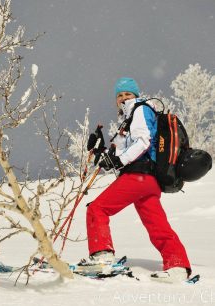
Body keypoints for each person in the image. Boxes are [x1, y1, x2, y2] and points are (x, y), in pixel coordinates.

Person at [82, 77, 191, 282]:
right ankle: (178, 266)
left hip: (138, 176)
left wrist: (118, 160)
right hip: (148, 182)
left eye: (127, 94)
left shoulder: (139, 109)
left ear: (135, 95)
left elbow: (143, 142)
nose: (123, 98)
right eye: (120, 95)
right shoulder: (129, 118)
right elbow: (121, 153)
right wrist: (100, 150)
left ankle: (102, 257)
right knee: (157, 226)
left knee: (97, 209)